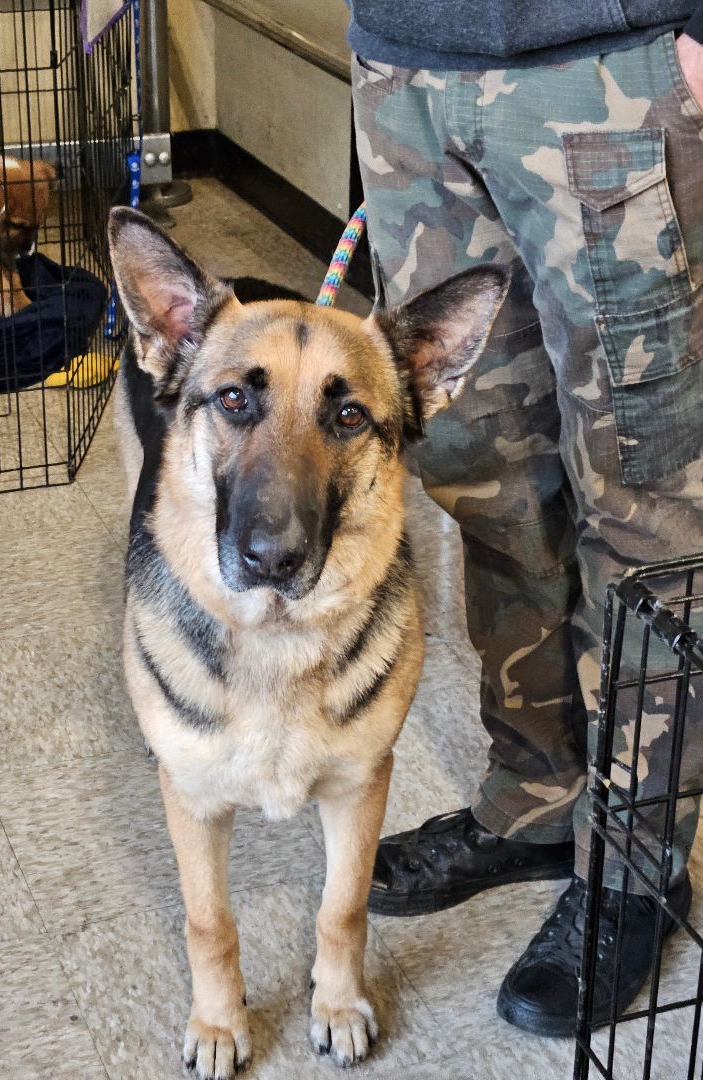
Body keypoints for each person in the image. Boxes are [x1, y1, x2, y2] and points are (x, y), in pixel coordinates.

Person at [348, 0, 703, 1036]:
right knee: (481, 474)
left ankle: (636, 866)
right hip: (405, 71)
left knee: (642, 497)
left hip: (609, 71)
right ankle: (536, 797)